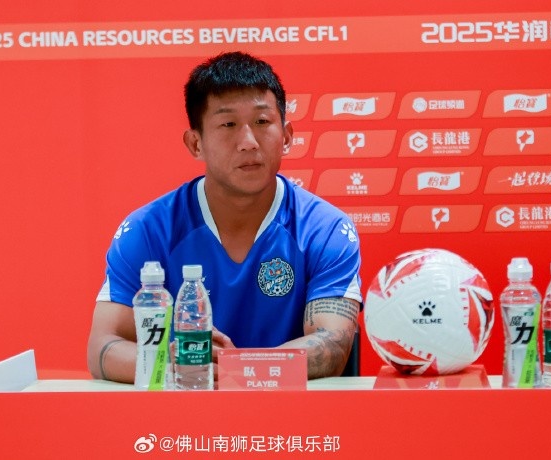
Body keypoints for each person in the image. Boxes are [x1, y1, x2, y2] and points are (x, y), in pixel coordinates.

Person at [87, 51, 362, 383]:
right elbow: (103, 346)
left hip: (289, 412)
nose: (248, 142)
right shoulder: (148, 230)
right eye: (228, 124)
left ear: (287, 136)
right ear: (195, 144)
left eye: (262, 122)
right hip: (183, 408)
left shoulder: (325, 229)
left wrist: (238, 369)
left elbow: (332, 345)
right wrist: (172, 365)